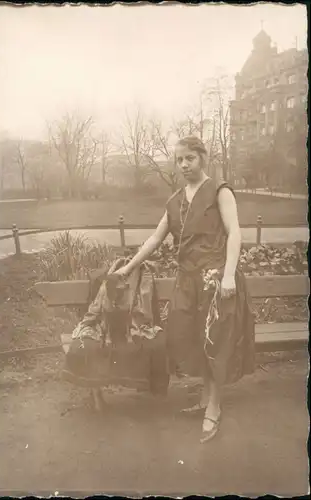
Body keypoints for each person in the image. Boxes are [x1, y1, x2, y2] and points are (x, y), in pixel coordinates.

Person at [113, 136, 255, 443]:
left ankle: (214, 407)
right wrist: (129, 266)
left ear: (202, 158)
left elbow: (235, 234)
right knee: (189, 339)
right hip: (187, 283)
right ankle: (205, 398)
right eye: (179, 160)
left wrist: (229, 275)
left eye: (189, 158)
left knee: (215, 342)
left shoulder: (220, 191)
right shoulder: (176, 200)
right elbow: (155, 238)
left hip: (216, 281)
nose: (184, 165)